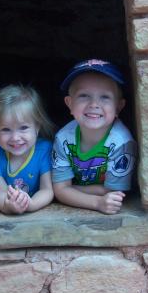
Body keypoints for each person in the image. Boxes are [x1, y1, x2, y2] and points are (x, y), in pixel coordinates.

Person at [52, 59, 136, 214]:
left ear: (119, 107)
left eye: (105, 97)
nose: (94, 104)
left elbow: (115, 194)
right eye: (84, 95)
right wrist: (97, 202)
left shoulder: (121, 143)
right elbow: (60, 190)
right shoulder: (63, 138)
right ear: (69, 104)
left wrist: (69, 190)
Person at [0, 85, 55, 214]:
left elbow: (47, 190)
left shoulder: (44, 149)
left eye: (23, 128)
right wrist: (7, 205)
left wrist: (31, 204)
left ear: (37, 127)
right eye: (6, 129)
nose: (15, 138)